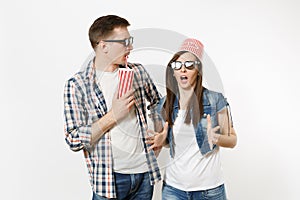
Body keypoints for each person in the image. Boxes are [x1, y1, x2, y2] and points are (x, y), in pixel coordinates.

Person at [63, 15, 163, 200]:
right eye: (124, 42)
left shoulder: (138, 72)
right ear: (104, 46)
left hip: (144, 174)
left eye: (130, 41)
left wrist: (160, 135)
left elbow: (159, 103)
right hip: (109, 179)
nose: (130, 47)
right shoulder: (78, 84)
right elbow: (73, 138)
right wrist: (113, 115)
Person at [146, 38, 237, 200]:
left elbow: (232, 140)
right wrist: (162, 140)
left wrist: (216, 138)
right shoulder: (164, 104)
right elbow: (168, 142)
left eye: (189, 65)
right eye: (177, 65)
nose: (183, 70)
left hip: (209, 190)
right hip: (173, 189)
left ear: (198, 71)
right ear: (173, 71)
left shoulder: (215, 100)